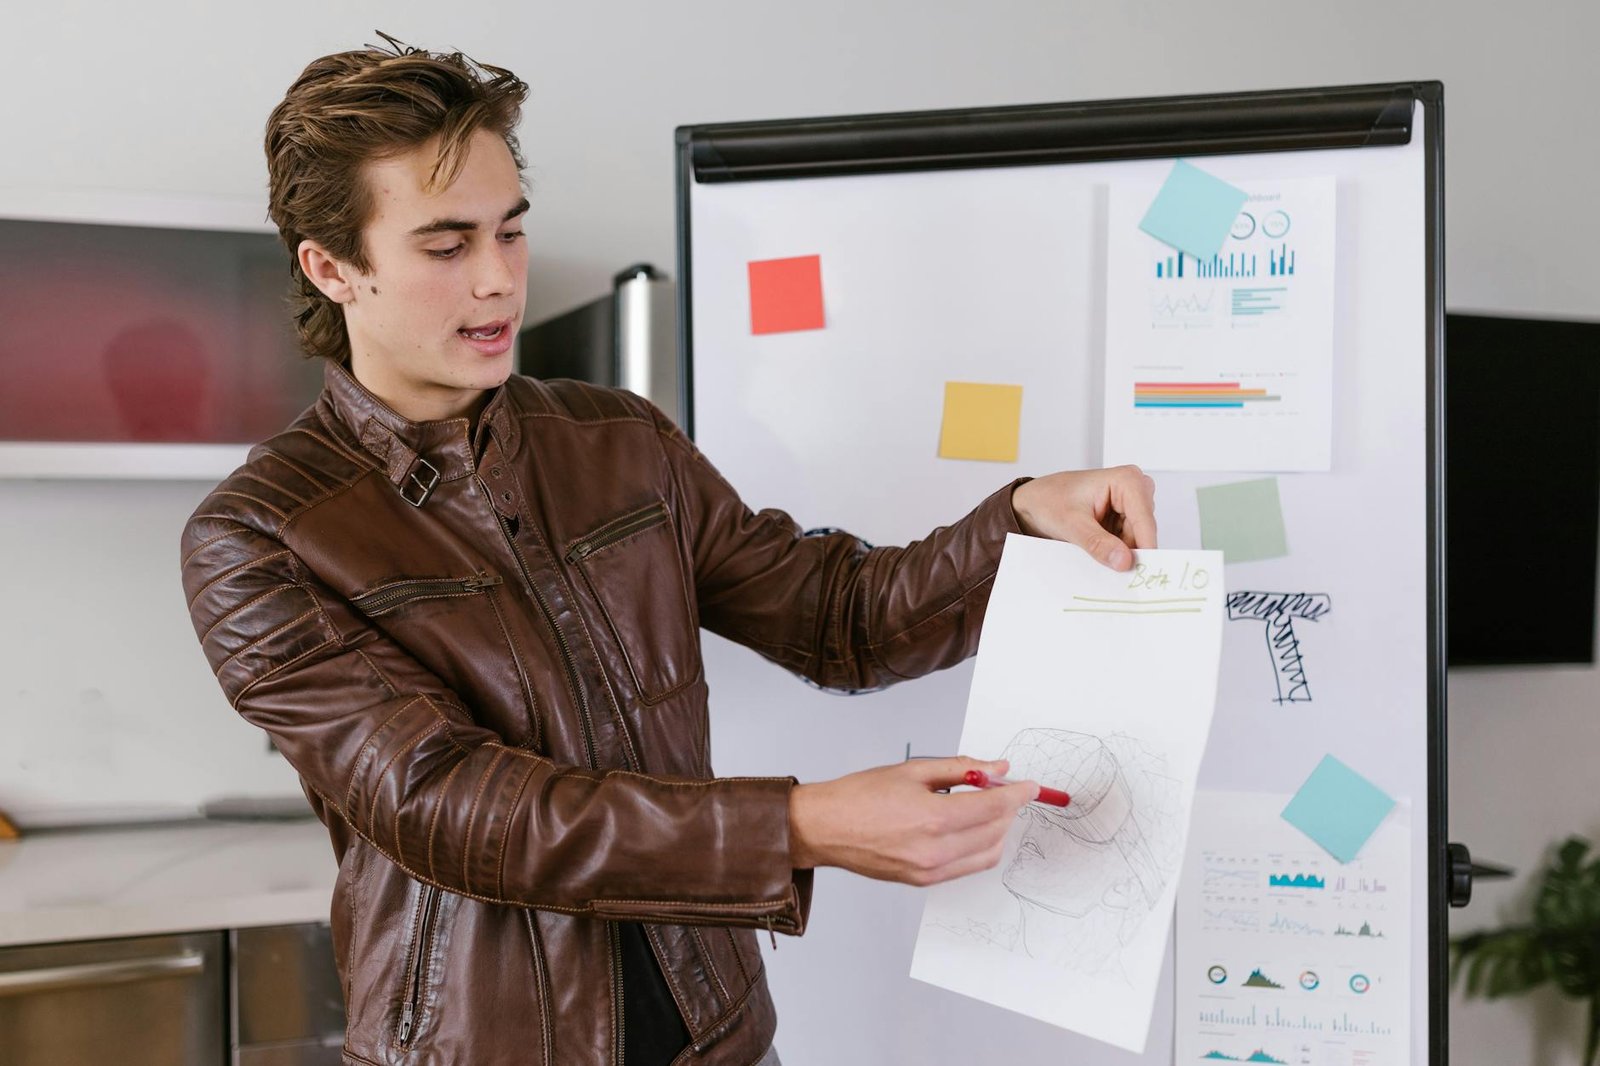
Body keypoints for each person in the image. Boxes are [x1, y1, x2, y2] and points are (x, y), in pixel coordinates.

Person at [179, 36, 1157, 1066]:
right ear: (333, 267)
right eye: (445, 244)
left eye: (509, 232)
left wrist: (1017, 520)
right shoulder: (259, 538)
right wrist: (796, 825)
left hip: (721, 1040)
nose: (496, 280)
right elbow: (457, 806)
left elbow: (837, 617)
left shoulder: (617, 440)